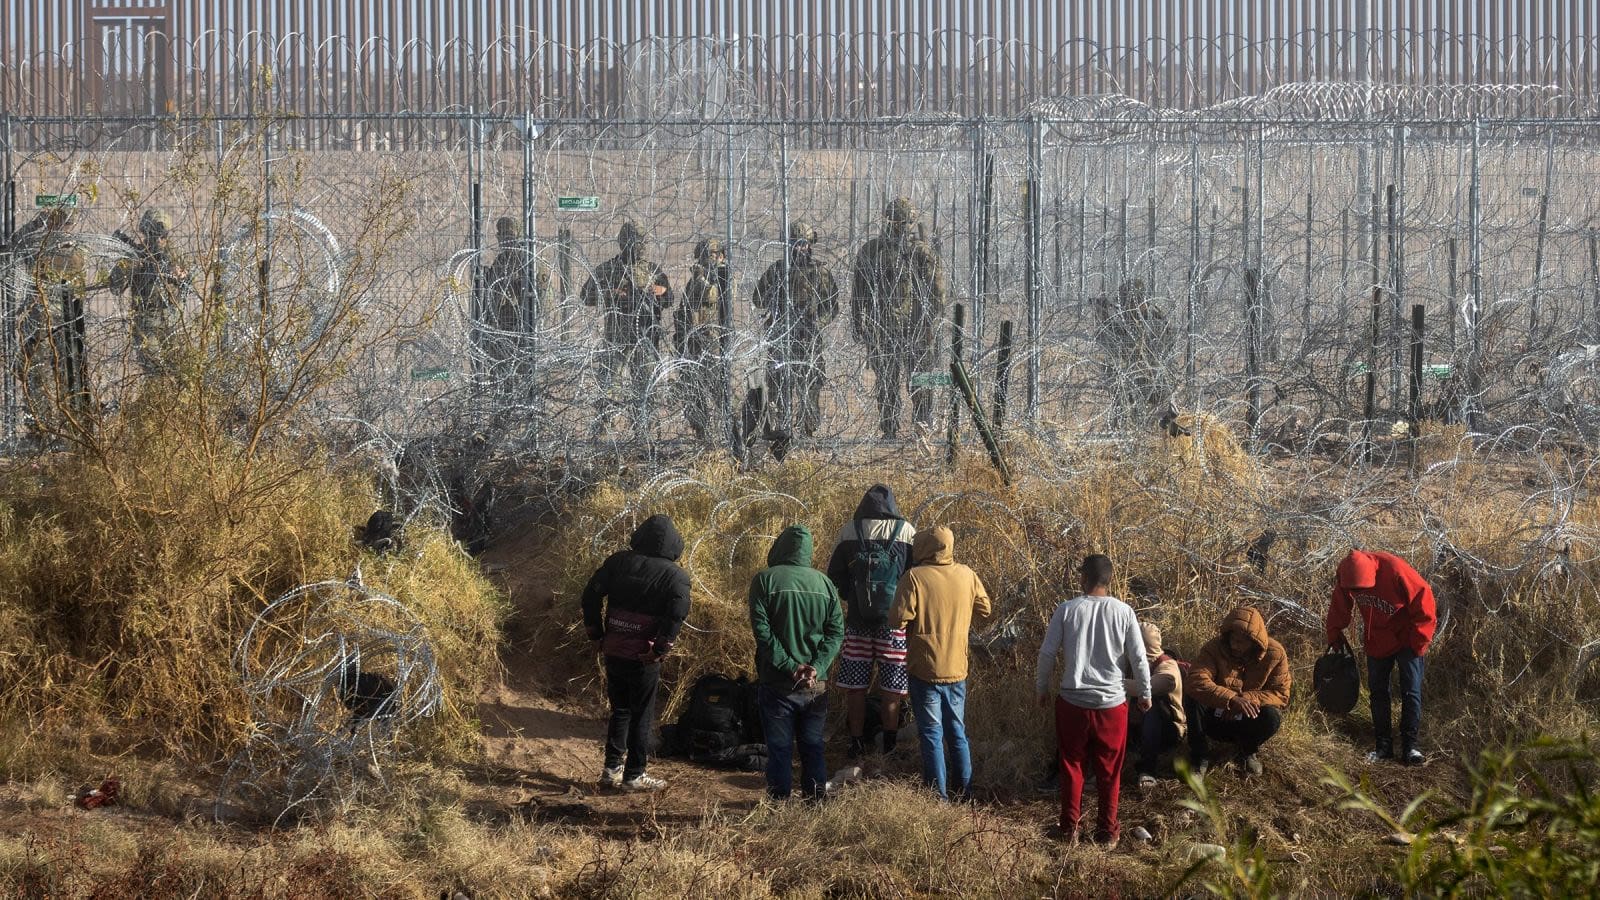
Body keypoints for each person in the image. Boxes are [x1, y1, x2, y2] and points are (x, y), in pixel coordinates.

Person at [1035, 554, 1150, 846]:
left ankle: (1069, 829)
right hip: (1112, 705)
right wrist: (1145, 692)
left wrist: (1042, 687)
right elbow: (1138, 656)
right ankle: (1107, 832)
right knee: (1110, 771)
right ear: (1108, 580)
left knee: (1071, 765)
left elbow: (1047, 653)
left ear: (1083, 578)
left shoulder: (1067, 609)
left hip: (1072, 701)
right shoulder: (1124, 611)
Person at [580, 514, 692, 791]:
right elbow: (677, 613)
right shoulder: (676, 575)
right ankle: (635, 774)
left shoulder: (618, 562)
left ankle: (611, 768)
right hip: (644, 654)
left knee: (620, 710)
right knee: (642, 713)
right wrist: (662, 647)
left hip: (614, 647)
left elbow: (590, 595)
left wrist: (595, 631)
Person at [888, 525, 991, 800]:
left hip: (924, 667)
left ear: (923, 547)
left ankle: (938, 797)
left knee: (932, 734)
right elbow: (985, 608)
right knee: (957, 732)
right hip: (957, 667)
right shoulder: (967, 574)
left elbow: (896, 620)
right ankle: (965, 793)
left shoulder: (915, 578)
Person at [748, 523, 845, 801]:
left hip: (777, 682)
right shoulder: (825, 584)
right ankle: (815, 798)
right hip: (816, 683)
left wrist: (791, 666)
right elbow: (836, 631)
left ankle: (779, 800)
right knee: (813, 745)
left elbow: (762, 632)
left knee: (779, 746)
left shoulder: (765, 580)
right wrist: (817, 665)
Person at [826, 484, 917, 759]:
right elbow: (915, 578)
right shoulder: (907, 532)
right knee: (892, 687)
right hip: (894, 625)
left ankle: (855, 742)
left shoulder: (849, 530)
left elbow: (836, 577)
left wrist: (853, 599)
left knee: (856, 687)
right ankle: (889, 744)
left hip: (857, 624)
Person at [1326, 549, 1437, 766]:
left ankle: (1410, 747)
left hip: (1407, 638)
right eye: (1355, 590)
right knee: (1378, 691)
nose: (1358, 593)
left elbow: (1424, 602)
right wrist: (1335, 632)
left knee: (1410, 690)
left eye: (1361, 589)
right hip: (1377, 638)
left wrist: (1419, 641)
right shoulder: (1346, 573)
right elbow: (1340, 603)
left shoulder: (1395, 570)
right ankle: (1383, 747)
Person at [850, 198, 947, 439]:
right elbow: (859, 291)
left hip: (916, 329)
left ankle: (922, 424)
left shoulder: (921, 253)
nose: (900, 228)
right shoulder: (872, 251)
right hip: (884, 328)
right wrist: (858, 321)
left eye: (904, 223)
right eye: (896, 222)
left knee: (922, 379)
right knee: (886, 382)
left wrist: (929, 323)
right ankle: (890, 429)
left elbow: (938, 293)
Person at [580, 221, 673, 430]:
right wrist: (611, 294)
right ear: (624, 243)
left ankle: (643, 434)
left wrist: (660, 292)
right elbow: (585, 296)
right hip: (617, 339)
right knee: (609, 389)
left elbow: (669, 299)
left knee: (645, 390)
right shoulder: (607, 269)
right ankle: (602, 432)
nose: (641, 246)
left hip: (645, 339)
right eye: (636, 242)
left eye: (643, 242)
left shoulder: (653, 270)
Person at [752, 221, 840, 438]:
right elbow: (758, 299)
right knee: (779, 386)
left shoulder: (820, 273)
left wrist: (816, 323)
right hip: (782, 337)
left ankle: (808, 431)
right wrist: (774, 294)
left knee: (810, 386)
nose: (800, 249)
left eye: (804, 244)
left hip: (809, 338)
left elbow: (832, 306)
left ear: (810, 245)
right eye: (795, 244)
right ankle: (781, 431)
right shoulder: (777, 270)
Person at [1185, 607, 1291, 776]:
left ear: (1254, 642)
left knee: (1271, 716)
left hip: (1248, 719)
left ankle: (1247, 751)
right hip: (1215, 717)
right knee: (1193, 697)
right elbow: (1196, 679)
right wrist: (1230, 698)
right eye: (1232, 639)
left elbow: (1281, 694)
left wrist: (1246, 699)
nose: (1234, 645)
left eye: (1241, 642)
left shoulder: (1275, 654)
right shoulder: (1213, 648)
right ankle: (1199, 756)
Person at [14, 208, 89, 416]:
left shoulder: (74, 249)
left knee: (63, 372)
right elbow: (15, 241)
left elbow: (70, 262)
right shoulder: (37, 246)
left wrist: (43, 236)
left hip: (62, 320)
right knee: (35, 371)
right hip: (38, 319)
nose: (64, 229)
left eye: (66, 224)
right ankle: (40, 421)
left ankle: (63, 420)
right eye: (59, 223)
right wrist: (38, 223)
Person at [110, 209, 186, 375]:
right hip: (146, 321)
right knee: (155, 371)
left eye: (163, 236)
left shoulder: (174, 255)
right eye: (153, 235)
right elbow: (114, 287)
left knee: (181, 370)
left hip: (172, 319)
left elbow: (190, 284)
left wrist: (180, 276)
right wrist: (130, 268)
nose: (159, 240)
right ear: (145, 234)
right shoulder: (134, 256)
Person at [479, 216, 550, 387]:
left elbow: (540, 300)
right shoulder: (500, 262)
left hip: (522, 333)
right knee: (500, 382)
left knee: (522, 382)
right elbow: (490, 300)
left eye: (509, 235)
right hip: (500, 333)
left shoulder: (530, 262)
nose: (506, 239)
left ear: (517, 236)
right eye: (502, 235)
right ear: (497, 238)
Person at [673, 237, 730, 443]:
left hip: (711, 342)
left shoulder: (721, 277)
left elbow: (711, 296)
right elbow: (687, 308)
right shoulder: (697, 278)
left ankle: (733, 428)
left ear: (720, 256)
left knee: (717, 387)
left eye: (711, 256)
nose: (706, 260)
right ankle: (701, 433)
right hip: (691, 342)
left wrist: (702, 279)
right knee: (692, 389)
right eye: (703, 256)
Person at [1124, 622, 1186, 788]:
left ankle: (1148, 769)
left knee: (1154, 705)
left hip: (1167, 731)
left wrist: (1113, 683)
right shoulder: (1130, 664)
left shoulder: (1168, 667)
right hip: (1136, 728)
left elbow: (1155, 685)